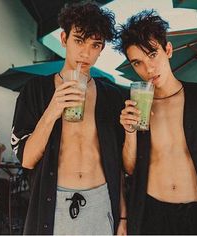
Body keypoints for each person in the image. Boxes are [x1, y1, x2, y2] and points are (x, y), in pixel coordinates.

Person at [11, 2, 126, 235]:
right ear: (64, 39)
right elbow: (27, 159)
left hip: (101, 201)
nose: (86, 53)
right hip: (54, 203)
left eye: (95, 45)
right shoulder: (35, 91)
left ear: (101, 48)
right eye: (79, 40)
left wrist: (122, 217)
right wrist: (53, 110)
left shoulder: (112, 95)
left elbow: (119, 165)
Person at [115, 10, 197, 235]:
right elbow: (130, 169)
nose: (148, 68)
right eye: (137, 62)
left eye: (152, 54)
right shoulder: (136, 107)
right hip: (152, 215)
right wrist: (129, 132)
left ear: (168, 50)